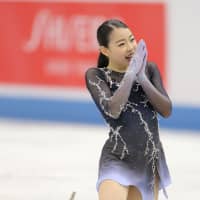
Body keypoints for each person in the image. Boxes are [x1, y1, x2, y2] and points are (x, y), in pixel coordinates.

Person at [85, 19, 172, 200]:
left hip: (149, 161)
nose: (131, 47)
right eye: (121, 44)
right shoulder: (97, 75)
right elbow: (113, 110)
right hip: (117, 157)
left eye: (132, 40)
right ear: (105, 51)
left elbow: (166, 110)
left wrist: (142, 78)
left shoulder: (149, 70)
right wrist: (130, 75)